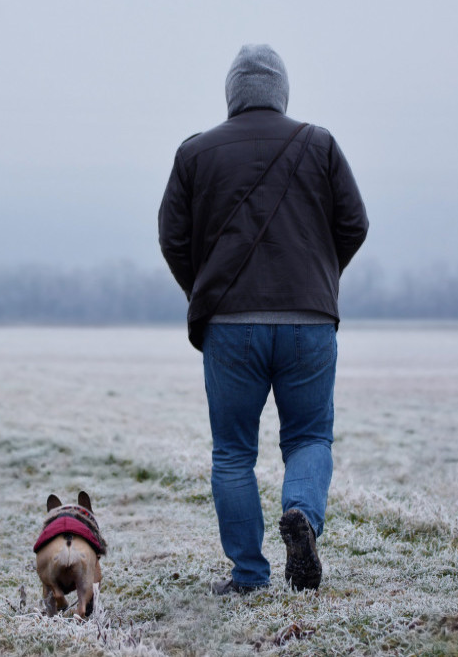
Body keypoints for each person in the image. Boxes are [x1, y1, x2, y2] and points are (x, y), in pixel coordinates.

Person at [158, 44, 368, 594]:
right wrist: (319, 279)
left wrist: (205, 291)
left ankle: (249, 577)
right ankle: (301, 514)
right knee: (309, 437)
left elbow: (172, 238)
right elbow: (355, 223)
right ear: (282, 92)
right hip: (309, 321)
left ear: (231, 94)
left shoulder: (195, 153)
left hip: (229, 325)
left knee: (232, 454)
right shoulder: (319, 144)